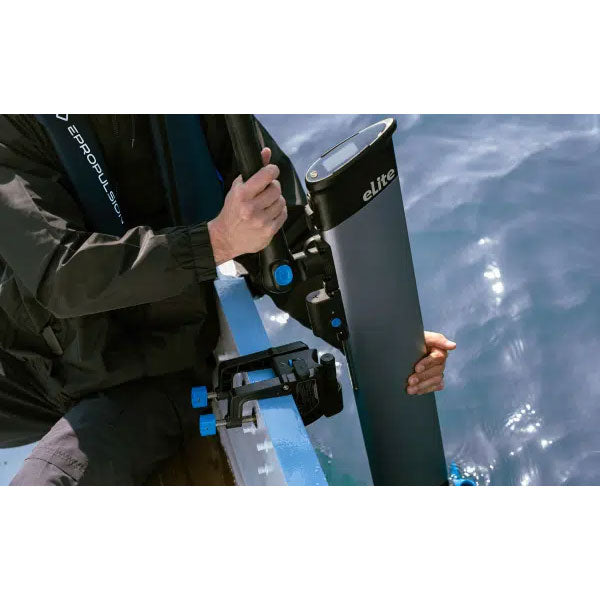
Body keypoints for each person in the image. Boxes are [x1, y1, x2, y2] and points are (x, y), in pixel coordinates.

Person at [0, 115, 456, 485]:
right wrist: (215, 241)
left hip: (139, 378)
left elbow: (289, 240)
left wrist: (387, 341)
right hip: (26, 359)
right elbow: (61, 274)